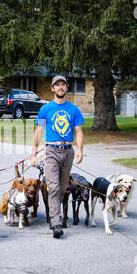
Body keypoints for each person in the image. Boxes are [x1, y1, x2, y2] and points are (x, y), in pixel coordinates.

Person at [31, 75, 84, 238]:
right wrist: (33, 152)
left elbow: (79, 131)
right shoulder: (45, 109)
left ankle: (53, 213)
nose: (60, 87)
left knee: (62, 188)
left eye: (63, 85)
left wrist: (80, 149)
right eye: (57, 85)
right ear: (52, 89)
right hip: (51, 152)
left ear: (66, 88)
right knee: (53, 187)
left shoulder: (74, 109)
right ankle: (56, 223)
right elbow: (38, 131)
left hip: (68, 152)